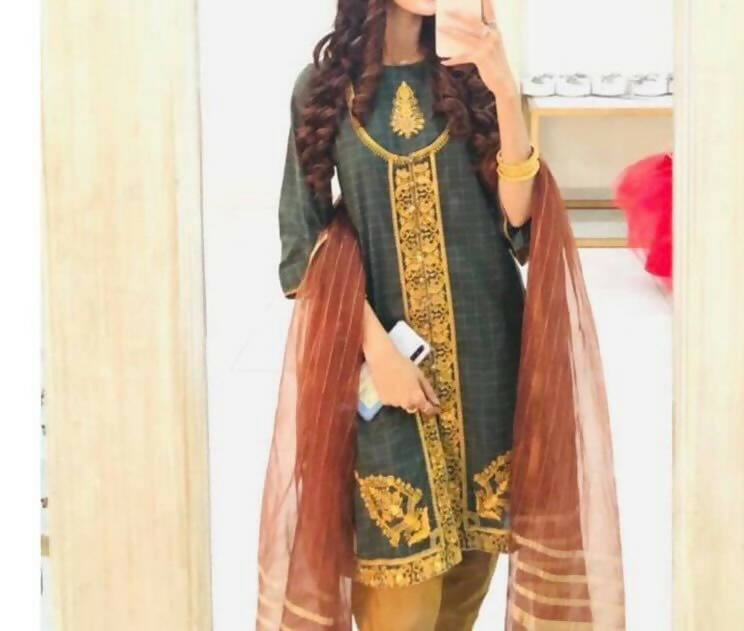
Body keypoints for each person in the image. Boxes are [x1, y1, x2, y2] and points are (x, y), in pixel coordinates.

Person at [259, 1, 625, 629]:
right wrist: (379, 354)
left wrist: (502, 84)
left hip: (487, 365)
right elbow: (304, 243)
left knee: (464, 584)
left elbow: (519, 222)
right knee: (398, 587)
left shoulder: (470, 75)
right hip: (382, 376)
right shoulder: (322, 89)